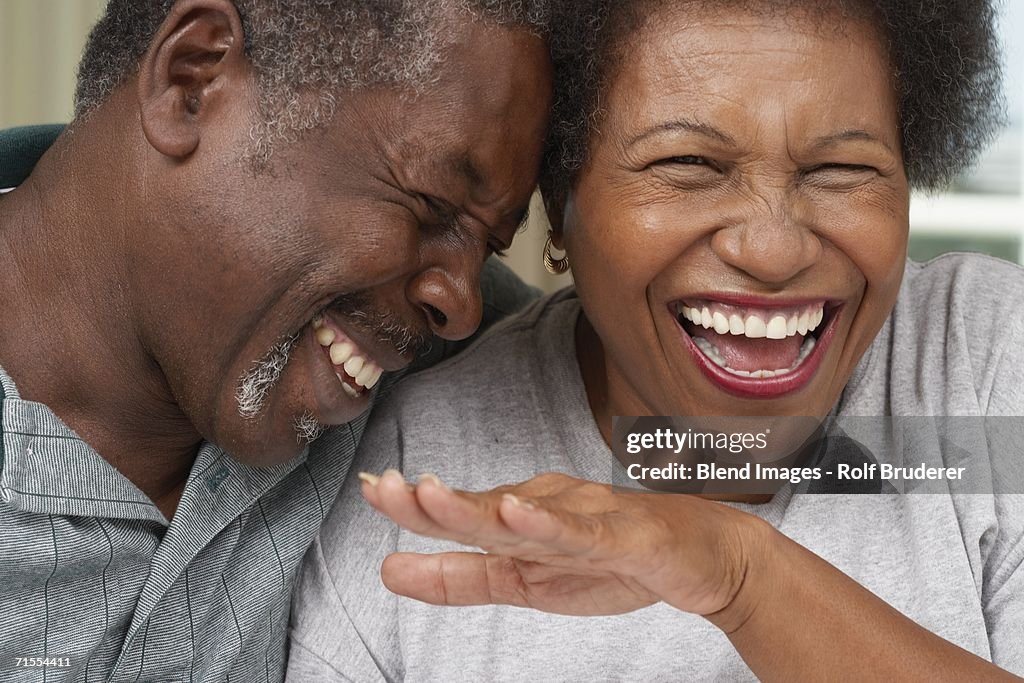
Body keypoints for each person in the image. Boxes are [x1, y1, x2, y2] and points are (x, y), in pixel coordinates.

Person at [288, 0, 1024, 680]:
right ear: (559, 203)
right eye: (688, 165)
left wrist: (744, 578)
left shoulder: (986, 361)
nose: (772, 249)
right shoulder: (419, 476)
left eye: (842, 170)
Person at [0, 0, 554, 680]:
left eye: (489, 243)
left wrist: (728, 564)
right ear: (192, 81)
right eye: (433, 206)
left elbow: (687, 431)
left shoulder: (427, 360)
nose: (461, 304)